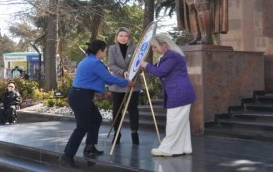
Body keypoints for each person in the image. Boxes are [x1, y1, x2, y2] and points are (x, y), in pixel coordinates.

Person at [60, 39, 136, 169]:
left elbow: (103, 79)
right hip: (80, 96)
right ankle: (67, 155)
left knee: (96, 119)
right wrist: (126, 82)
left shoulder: (89, 60)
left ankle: (90, 146)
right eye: (105, 51)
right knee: (82, 126)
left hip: (80, 95)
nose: (105, 53)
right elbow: (108, 78)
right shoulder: (95, 63)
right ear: (99, 51)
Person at [141, 34, 196, 157]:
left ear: (164, 45)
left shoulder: (171, 56)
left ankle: (167, 149)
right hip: (182, 93)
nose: (153, 50)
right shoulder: (171, 56)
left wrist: (145, 65)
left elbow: (160, 71)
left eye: (155, 47)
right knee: (182, 122)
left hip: (179, 93)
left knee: (173, 122)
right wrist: (147, 67)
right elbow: (158, 68)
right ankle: (185, 147)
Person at [108, 27, 143, 145]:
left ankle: (134, 133)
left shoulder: (135, 48)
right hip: (117, 82)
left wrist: (137, 71)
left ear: (129, 37)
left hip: (133, 83)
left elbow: (139, 63)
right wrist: (123, 72)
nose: (123, 38)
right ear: (117, 37)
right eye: (121, 36)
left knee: (133, 109)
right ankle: (117, 133)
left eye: (126, 36)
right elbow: (111, 64)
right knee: (117, 109)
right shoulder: (112, 48)